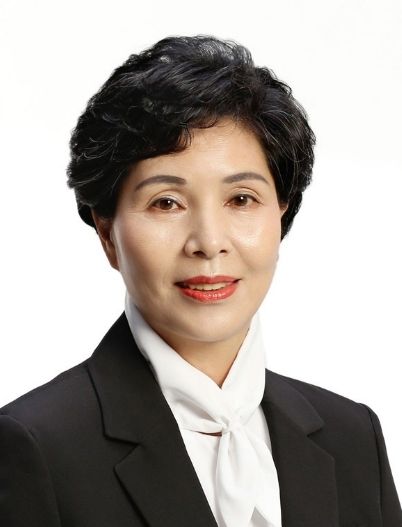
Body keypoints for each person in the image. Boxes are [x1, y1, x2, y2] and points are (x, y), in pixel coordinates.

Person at [0, 35, 400, 527]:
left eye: (241, 199)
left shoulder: (353, 438)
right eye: (166, 202)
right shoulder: (34, 447)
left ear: (281, 214)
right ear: (106, 232)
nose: (208, 243)